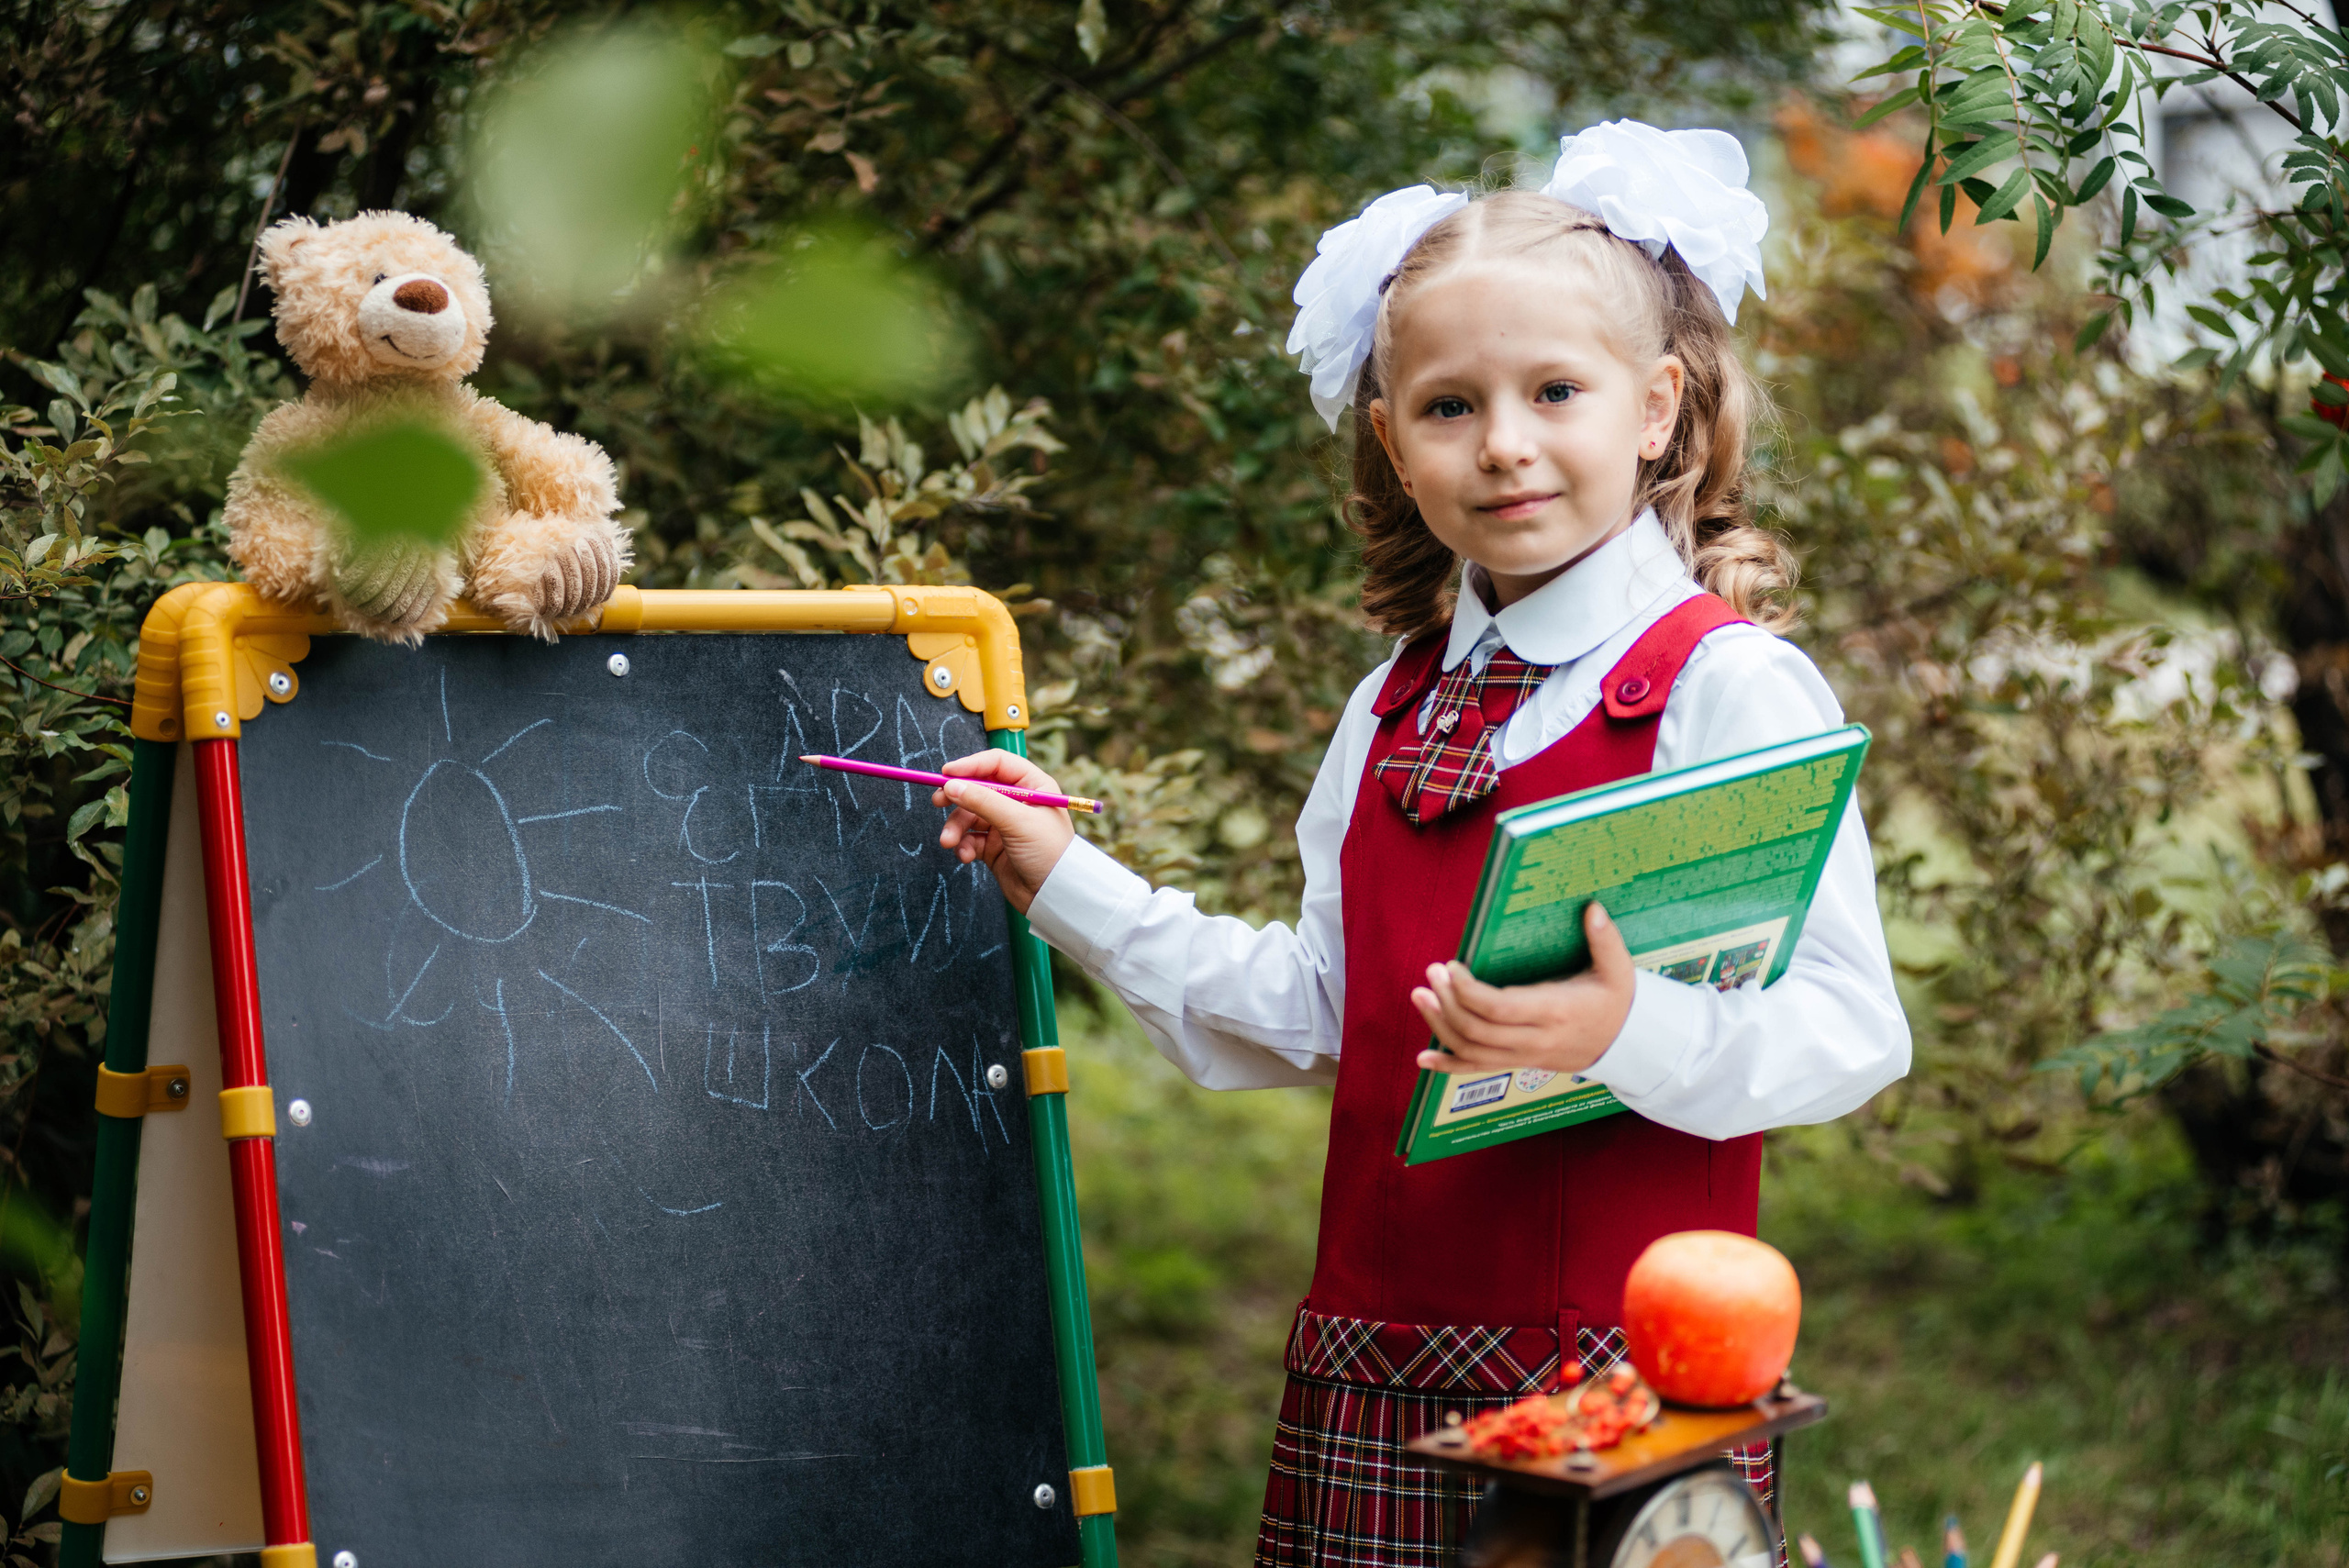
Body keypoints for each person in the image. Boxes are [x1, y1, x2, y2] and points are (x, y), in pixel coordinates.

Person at [932, 119, 1911, 1566]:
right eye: (1449, 406)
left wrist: (1622, 1024)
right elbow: (1328, 1014)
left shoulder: (1724, 687)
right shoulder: (1390, 705)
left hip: (1623, 1388)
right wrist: (1067, 884)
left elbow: (1850, 1028)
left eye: (1555, 391)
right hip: (1371, 1375)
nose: (1505, 442)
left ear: (1656, 408)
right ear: (1392, 440)